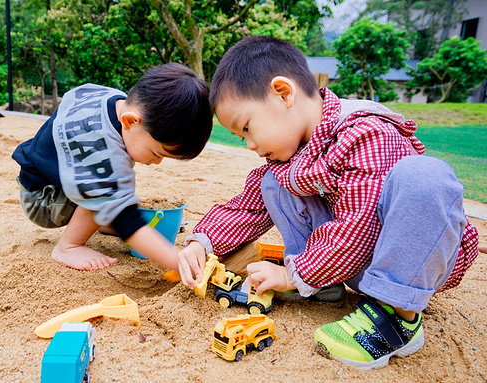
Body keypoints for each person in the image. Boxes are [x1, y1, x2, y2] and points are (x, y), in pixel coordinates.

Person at [176, 36, 480, 369]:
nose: (249, 144)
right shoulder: (291, 153)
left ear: (283, 93)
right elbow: (248, 207)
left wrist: (293, 275)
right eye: (241, 138)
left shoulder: (364, 133)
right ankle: (324, 284)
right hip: (351, 261)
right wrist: (201, 242)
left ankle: (398, 318)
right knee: (273, 183)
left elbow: (359, 226)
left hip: (415, 260)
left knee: (425, 176)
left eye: (247, 128)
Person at [13, 63, 212, 272]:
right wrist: (174, 261)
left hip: (42, 177)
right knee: (108, 189)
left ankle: (104, 222)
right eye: (156, 153)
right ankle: (68, 246)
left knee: (110, 185)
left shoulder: (114, 98)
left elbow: (74, 95)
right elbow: (125, 215)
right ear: (130, 121)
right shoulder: (102, 152)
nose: (157, 162)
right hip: (43, 201)